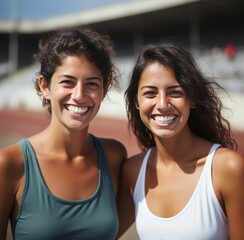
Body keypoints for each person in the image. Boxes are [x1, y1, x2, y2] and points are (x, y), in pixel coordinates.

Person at [0, 27, 127, 240]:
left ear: (103, 92)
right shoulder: (9, 164)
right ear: (44, 86)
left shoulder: (114, 156)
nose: (79, 95)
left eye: (92, 84)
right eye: (68, 82)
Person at [117, 42, 244, 239]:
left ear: (192, 99)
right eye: (150, 93)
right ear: (136, 102)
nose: (162, 104)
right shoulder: (133, 171)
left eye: (175, 92)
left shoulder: (226, 168)